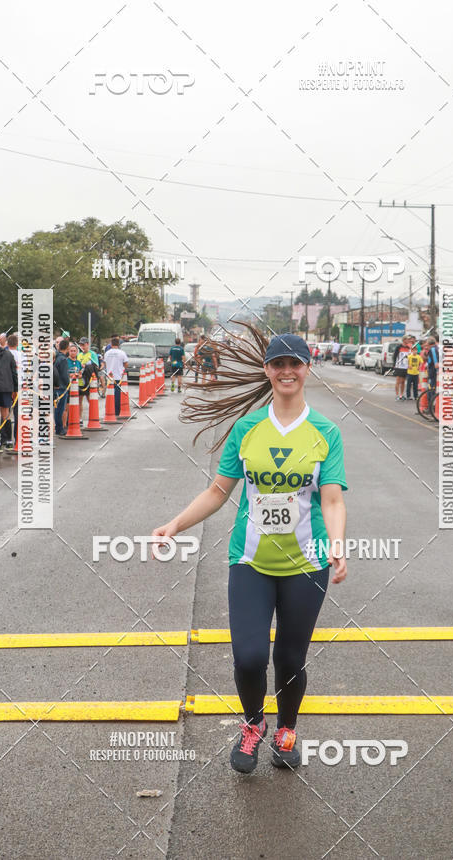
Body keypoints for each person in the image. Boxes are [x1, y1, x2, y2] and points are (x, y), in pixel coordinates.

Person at [154, 328, 347, 774]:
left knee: (290, 658)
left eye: (294, 363)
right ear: (267, 370)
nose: (286, 371)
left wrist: (337, 545)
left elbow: (332, 499)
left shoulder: (325, 432)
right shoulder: (246, 428)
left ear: (306, 368)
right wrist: (175, 525)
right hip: (250, 561)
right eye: (277, 364)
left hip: (307, 563)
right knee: (250, 656)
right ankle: (254, 724)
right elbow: (219, 492)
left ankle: (287, 729)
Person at [104, 336, 128, 416]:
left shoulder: (107, 353)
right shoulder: (122, 353)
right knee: (117, 395)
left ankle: (109, 409)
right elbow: (126, 364)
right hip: (118, 376)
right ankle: (116, 411)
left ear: (111, 344)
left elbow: (105, 363)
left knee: (110, 394)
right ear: (118, 344)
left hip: (109, 377)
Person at [54, 339, 70, 436]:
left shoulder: (56, 357)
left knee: (57, 409)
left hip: (56, 385)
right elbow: (64, 375)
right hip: (62, 387)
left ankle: (58, 427)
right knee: (60, 409)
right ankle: (59, 428)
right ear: (67, 348)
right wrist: (68, 383)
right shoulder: (63, 359)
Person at [393, 336, 410, 400]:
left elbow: (409, 357)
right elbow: (394, 356)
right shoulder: (398, 347)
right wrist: (394, 364)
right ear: (404, 340)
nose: (408, 341)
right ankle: (397, 395)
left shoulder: (408, 348)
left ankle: (401, 395)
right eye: (407, 339)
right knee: (398, 381)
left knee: (403, 381)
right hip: (399, 366)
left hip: (405, 367)